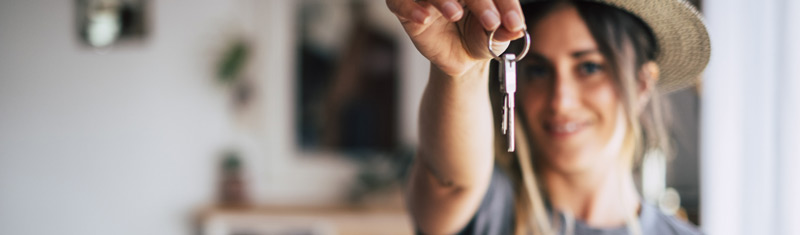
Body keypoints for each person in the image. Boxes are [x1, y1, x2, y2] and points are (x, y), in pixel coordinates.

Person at [385, 0, 710, 234]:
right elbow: (450, 181)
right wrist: (462, 70)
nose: (560, 100)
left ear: (641, 84)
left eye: (589, 67)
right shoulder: (489, 211)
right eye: (538, 70)